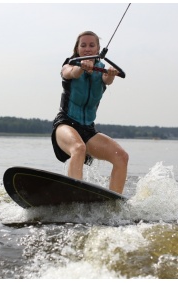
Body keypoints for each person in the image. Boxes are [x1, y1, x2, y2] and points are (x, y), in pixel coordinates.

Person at [51, 31, 129, 194]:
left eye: (91, 45)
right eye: (83, 45)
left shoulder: (101, 71)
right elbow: (70, 73)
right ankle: (74, 196)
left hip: (88, 130)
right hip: (65, 124)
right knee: (78, 148)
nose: (87, 48)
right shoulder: (69, 65)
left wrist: (111, 75)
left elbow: (106, 80)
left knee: (121, 156)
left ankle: (114, 205)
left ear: (98, 49)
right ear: (77, 49)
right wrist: (81, 68)